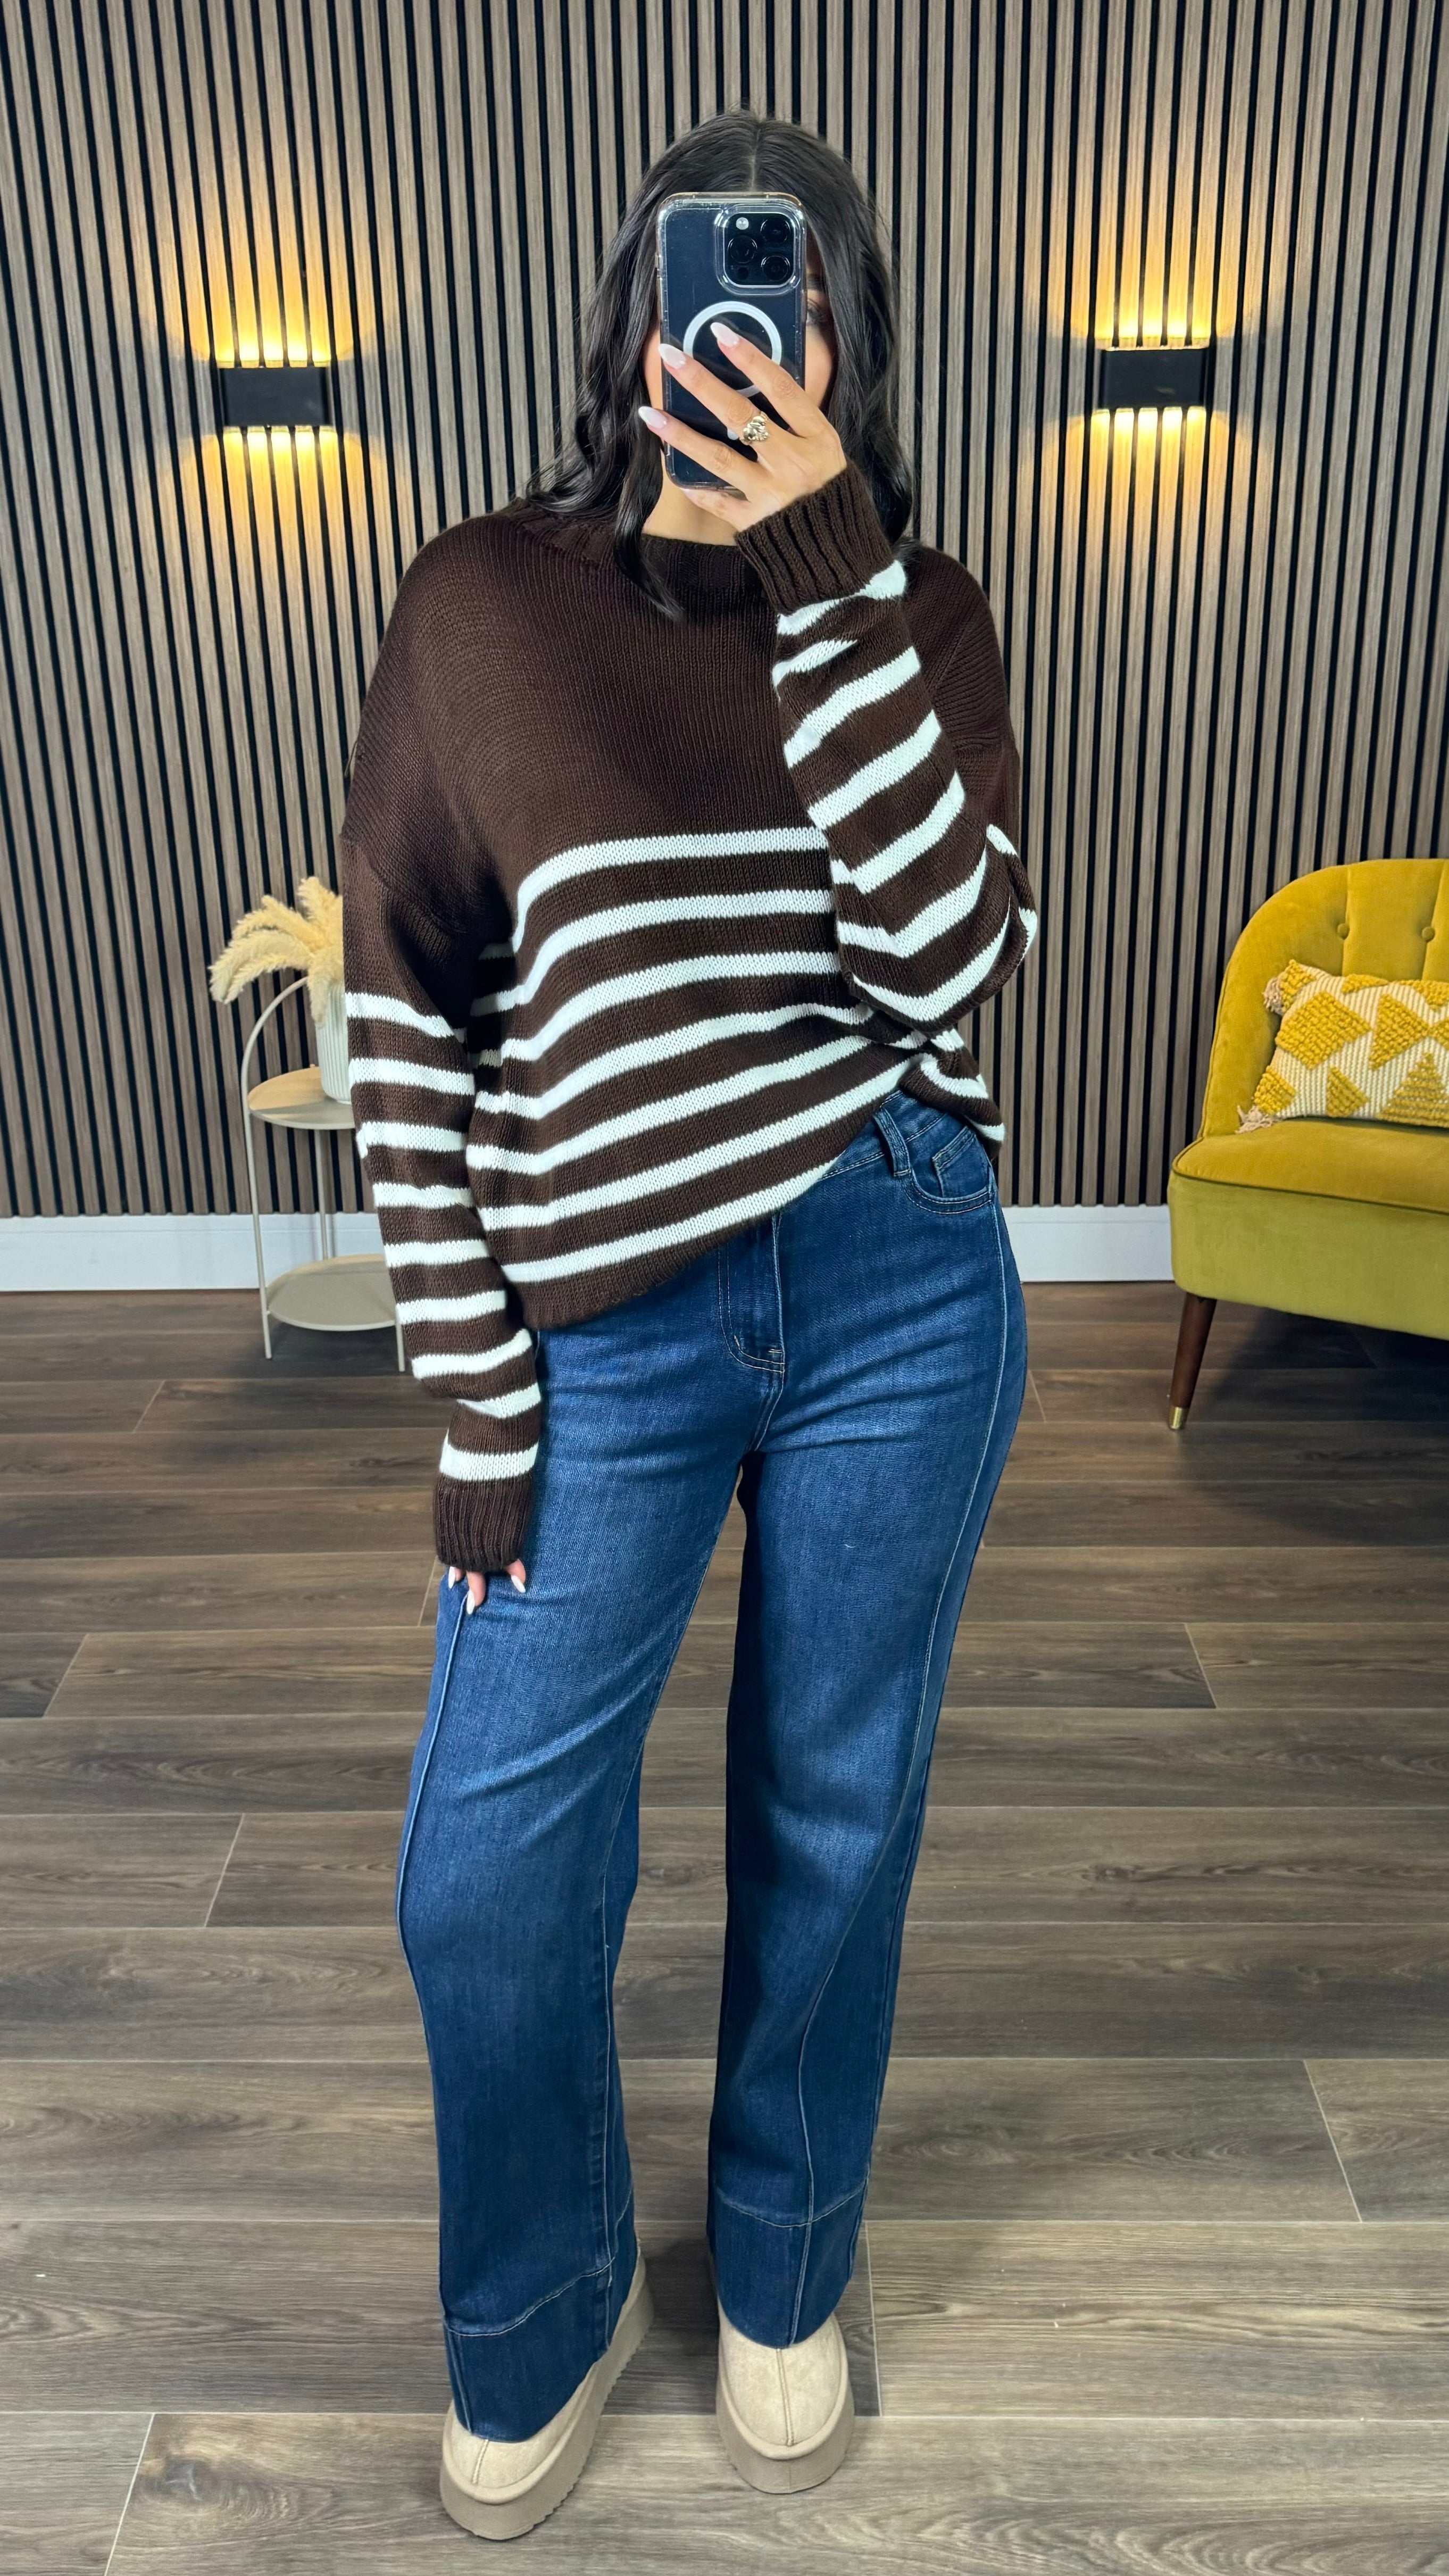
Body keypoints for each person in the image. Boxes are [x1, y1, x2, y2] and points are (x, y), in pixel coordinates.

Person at [339, 109, 1038, 2542]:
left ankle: (784, 2257)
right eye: (709, 278)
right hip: (599, 1318)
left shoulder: (922, 613)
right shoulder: (478, 608)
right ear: (629, 322)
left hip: (894, 1267)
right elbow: (403, 1012)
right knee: (487, 1869)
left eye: (796, 286)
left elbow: (952, 982)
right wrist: (474, 1393)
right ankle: (535, 2297)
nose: (746, 323)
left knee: (835, 1808)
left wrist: (832, 590)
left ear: (849, 342)